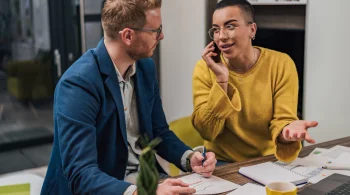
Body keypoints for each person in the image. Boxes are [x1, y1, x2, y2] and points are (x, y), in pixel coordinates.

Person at [41, 0, 216, 194]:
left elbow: (159, 132)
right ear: (128, 36)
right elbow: (81, 174)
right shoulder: (78, 85)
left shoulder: (145, 67)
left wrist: (190, 158)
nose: (162, 36)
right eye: (155, 30)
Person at [192, 0, 318, 165]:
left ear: (252, 29)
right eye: (216, 29)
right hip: (221, 161)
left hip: (266, 161)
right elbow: (207, 132)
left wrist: (287, 133)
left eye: (230, 26)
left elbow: (283, 120)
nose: (221, 36)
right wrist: (221, 80)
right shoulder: (206, 67)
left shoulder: (281, 64)